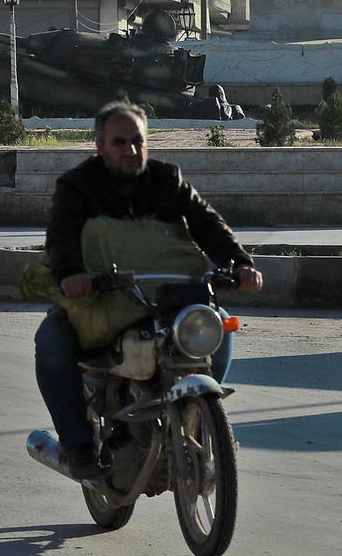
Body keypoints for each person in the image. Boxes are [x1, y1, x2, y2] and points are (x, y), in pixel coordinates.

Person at [33, 101, 264, 481]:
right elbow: (61, 237)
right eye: (119, 142)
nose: (131, 150)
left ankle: (199, 418)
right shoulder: (76, 186)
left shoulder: (167, 180)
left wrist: (240, 263)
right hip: (99, 300)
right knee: (52, 340)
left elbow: (208, 224)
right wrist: (72, 274)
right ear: (100, 147)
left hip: (169, 297)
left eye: (137, 141)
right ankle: (77, 445)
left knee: (217, 326)